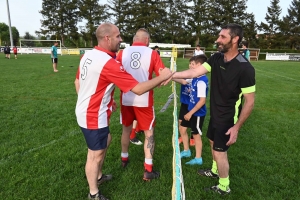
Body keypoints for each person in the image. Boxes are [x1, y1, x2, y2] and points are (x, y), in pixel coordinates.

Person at [75, 23, 172, 200]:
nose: (121, 39)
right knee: (94, 155)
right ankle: (93, 193)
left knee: (108, 140)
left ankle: (100, 175)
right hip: (93, 115)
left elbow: (77, 83)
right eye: (118, 36)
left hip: (90, 110)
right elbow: (138, 89)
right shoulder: (108, 62)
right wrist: (162, 76)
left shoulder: (88, 55)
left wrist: (100, 100)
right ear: (107, 38)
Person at [169, 23, 255, 195]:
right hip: (215, 114)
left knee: (220, 151)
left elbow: (250, 101)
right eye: (219, 36)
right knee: (212, 142)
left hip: (227, 117)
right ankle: (215, 171)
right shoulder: (216, 58)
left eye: (223, 37)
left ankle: (224, 186)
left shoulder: (245, 68)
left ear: (235, 39)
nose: (218, 40)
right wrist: (171, 75)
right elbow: (194, 73)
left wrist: (236, 127)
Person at [116, 28, 166, 181]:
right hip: (144, 100)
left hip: (126, 98)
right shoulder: (152, 53)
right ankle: (148, 169)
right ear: (147, 40)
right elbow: (162, 76)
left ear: (134, 39)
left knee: (126, 130)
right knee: (148, 134)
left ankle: (124, 159)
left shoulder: (122, 53)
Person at [175, 55, 209, 165]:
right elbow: (183, 81)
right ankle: (186, 151)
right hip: (190, 109)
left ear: (199, 66)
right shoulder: (195, 77)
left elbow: (202, 101)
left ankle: (198, 158)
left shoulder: (201, 82)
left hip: (197, 113)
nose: (190, 66)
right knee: (182, 129)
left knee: (196, 135)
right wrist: (168, 76)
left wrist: (190, 113)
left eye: (193, 64)